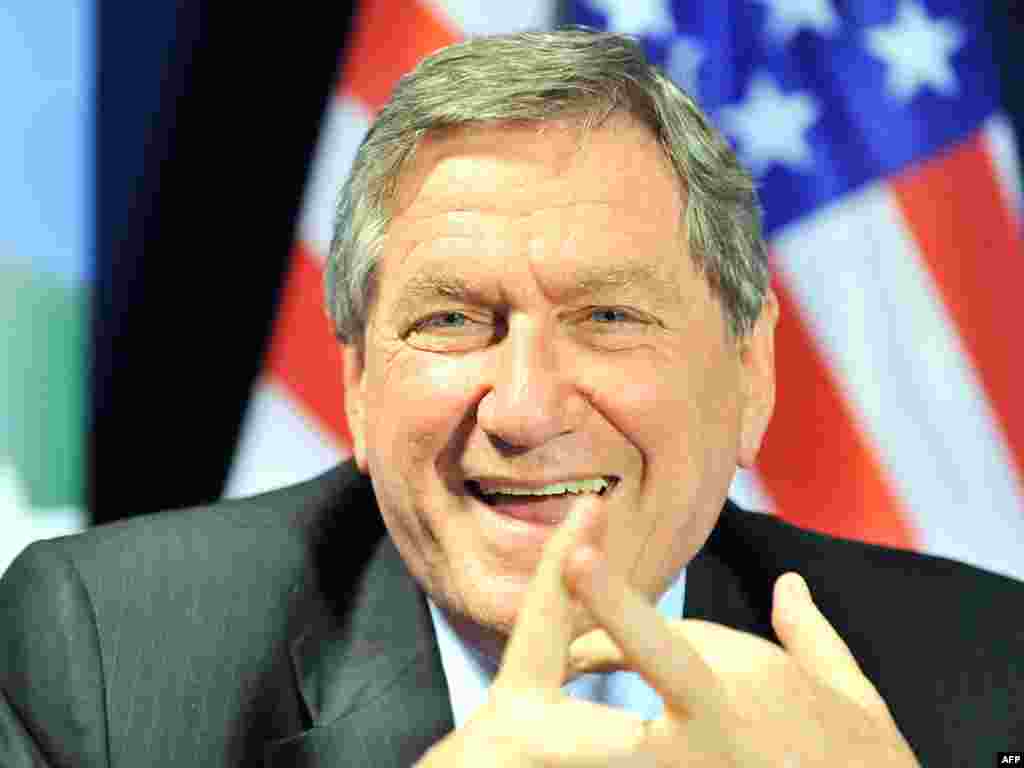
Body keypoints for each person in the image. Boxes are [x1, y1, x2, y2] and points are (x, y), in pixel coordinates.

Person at [1, 27, 1021, 768]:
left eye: (608, 318)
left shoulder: (982, 676)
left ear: (749, 374)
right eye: (451, 321)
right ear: (356, 383)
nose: (525, 410)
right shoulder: (108, 656)